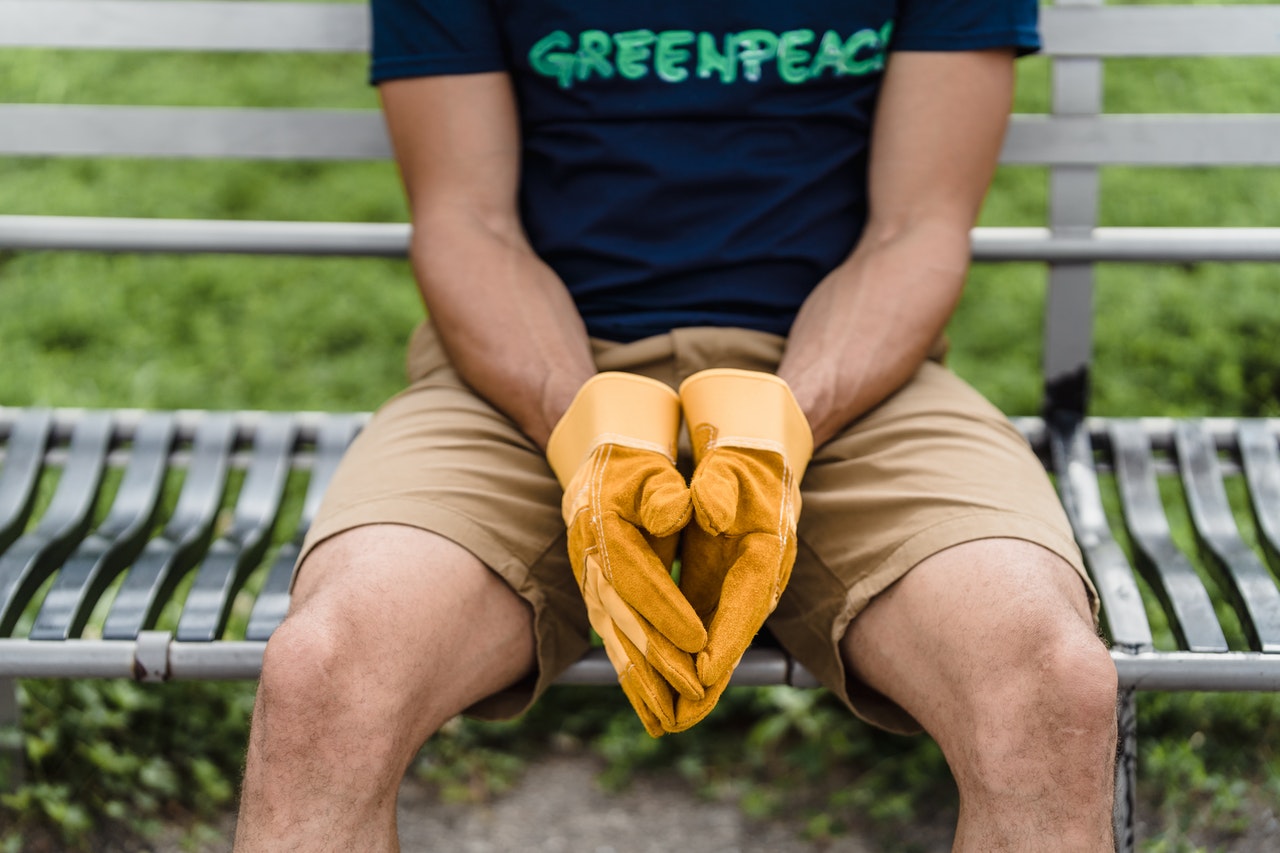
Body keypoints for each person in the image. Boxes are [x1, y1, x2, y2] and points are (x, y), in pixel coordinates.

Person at [233, 1, 1120, 850]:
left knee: (1048, 684)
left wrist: (780, 425)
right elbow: (470, 222)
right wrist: (587, 430)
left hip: (849, 372)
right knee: (327, 676)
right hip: (526, 367)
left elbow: (915, 230)